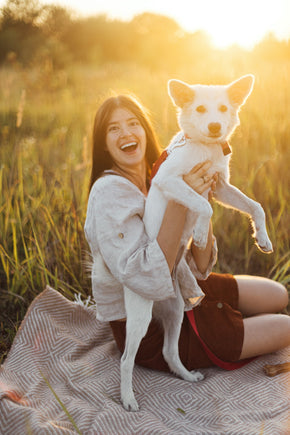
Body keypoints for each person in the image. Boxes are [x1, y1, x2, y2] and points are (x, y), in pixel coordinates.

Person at [84, 93, 290, 372]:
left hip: (182, 286)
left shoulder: (158, 172)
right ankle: (218, 332)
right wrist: (184, 198)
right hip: (154, 326)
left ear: (145, 131)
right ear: (104, 143)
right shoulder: (109, 193)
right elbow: (148, 277)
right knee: (285, 328)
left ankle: (227, 319)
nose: (126, 133)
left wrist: (204, 193)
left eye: (133, 123)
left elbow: (201, 267)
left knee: (277, 294)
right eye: (114, 128)